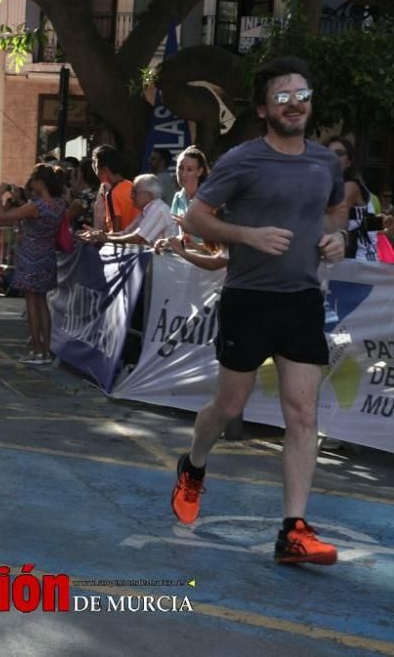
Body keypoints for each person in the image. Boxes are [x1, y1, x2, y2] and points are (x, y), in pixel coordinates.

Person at [173, 56, 347, 566]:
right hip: (249, 298)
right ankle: (194, 463)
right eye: (283, 97)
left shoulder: (324, 162)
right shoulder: (242, 161)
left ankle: (293, 530)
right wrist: (247, 235)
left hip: (301, 299)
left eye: (302, 95)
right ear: (265, 109)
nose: (295, 104)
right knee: (228, 407)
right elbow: (197, 218)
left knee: (303, 413)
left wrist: (335, 236)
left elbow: (335, 209)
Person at [0, 164, 66, 364]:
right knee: (43, 303)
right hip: (48, 254)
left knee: (31, 303)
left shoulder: (36, 206)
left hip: (30, 255)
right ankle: (46, 350)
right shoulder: (59, 204)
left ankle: (36, 351)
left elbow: (4, 217)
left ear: (40, 182)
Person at [79, 174, 177, 246]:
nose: (131, 196)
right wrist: (98, 235)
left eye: (135, 192)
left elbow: (136, 239)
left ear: (148, 195)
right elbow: (126, 233)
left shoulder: (159, 209)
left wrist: (106, 239)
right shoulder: (147, 210)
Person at [325, 137, 378, 262]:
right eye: (327, 153)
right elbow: (369, 225)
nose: (333, 157)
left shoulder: (350, 186)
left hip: (356, 262)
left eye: (339, 154)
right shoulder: (331, 186)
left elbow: (332, 220)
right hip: (354, 259)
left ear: (349, 162)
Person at [91, 145, 138, 232]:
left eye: (95, 164)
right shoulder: (131, 186)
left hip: (122, 243)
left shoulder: (112, 193)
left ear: (104, 170)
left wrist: (96, 235)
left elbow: (116, 231)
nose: (93, 168)